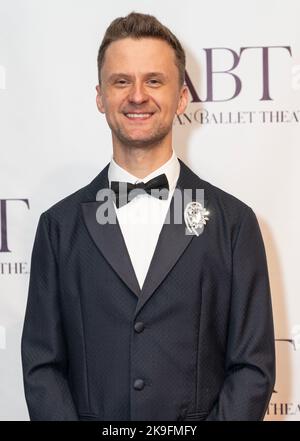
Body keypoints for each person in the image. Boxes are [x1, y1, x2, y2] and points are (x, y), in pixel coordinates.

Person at [21, 12, 275, 421]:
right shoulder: (58, 228)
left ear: (182, 97)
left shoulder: (234, 224)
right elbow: (42, 368)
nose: (137, 95)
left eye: (154, 80)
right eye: (121, 81)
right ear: (100, 96)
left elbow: (253, 369)